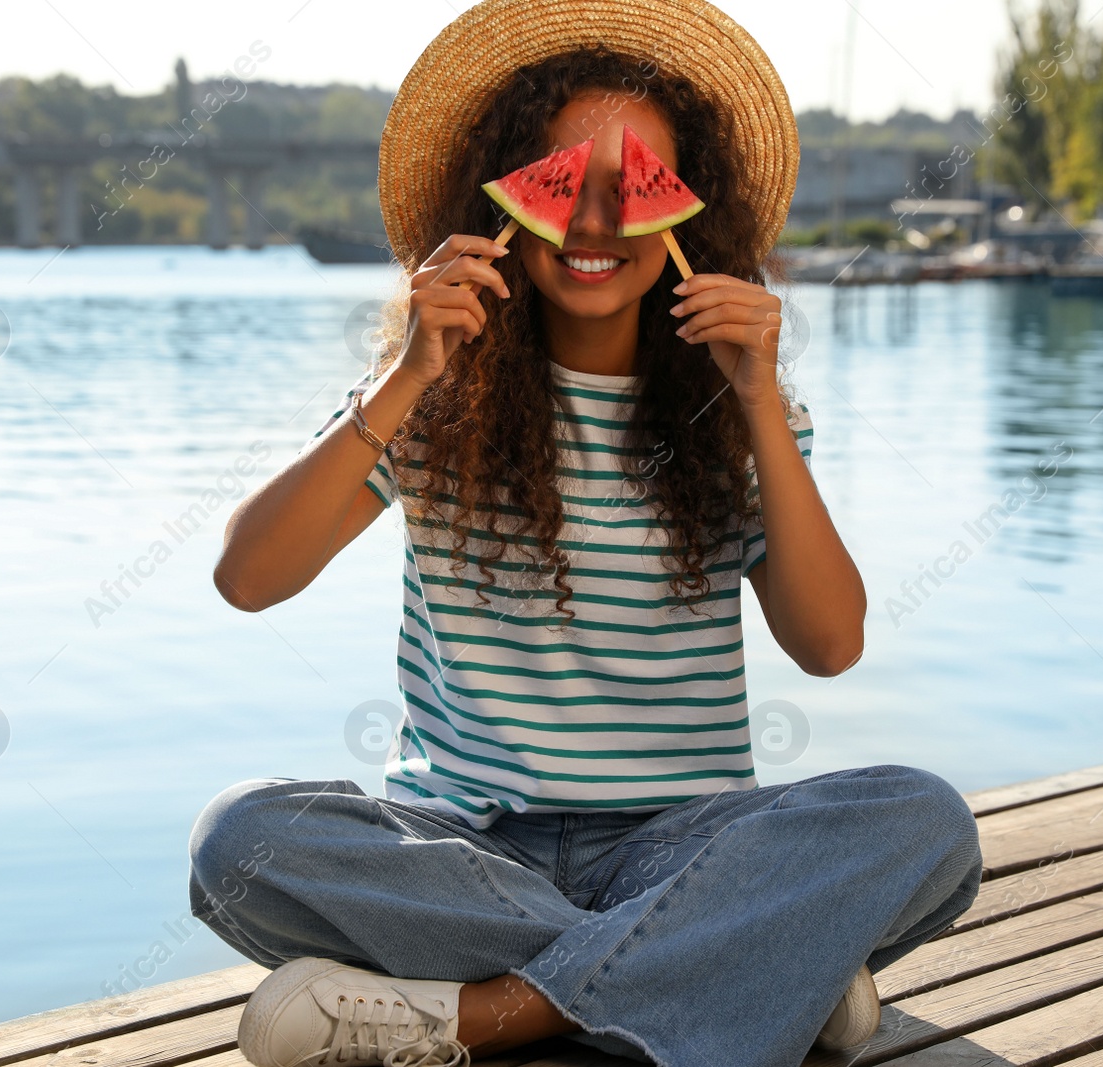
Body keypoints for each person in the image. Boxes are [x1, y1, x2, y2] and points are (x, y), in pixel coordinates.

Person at [190, 3, 982, 1066]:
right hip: (464, 845)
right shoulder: (431, 394)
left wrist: (754, 401)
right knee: (236, 840)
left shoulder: (731, 408)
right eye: (565, 185)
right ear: (504, 203)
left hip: (682, 845)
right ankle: (749, 959)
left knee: (924, 822)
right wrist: (407, 373)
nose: (600, 222)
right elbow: (248, 577)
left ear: (690, 221)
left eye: (638, 190)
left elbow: (830, 643)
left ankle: (483, 1014)